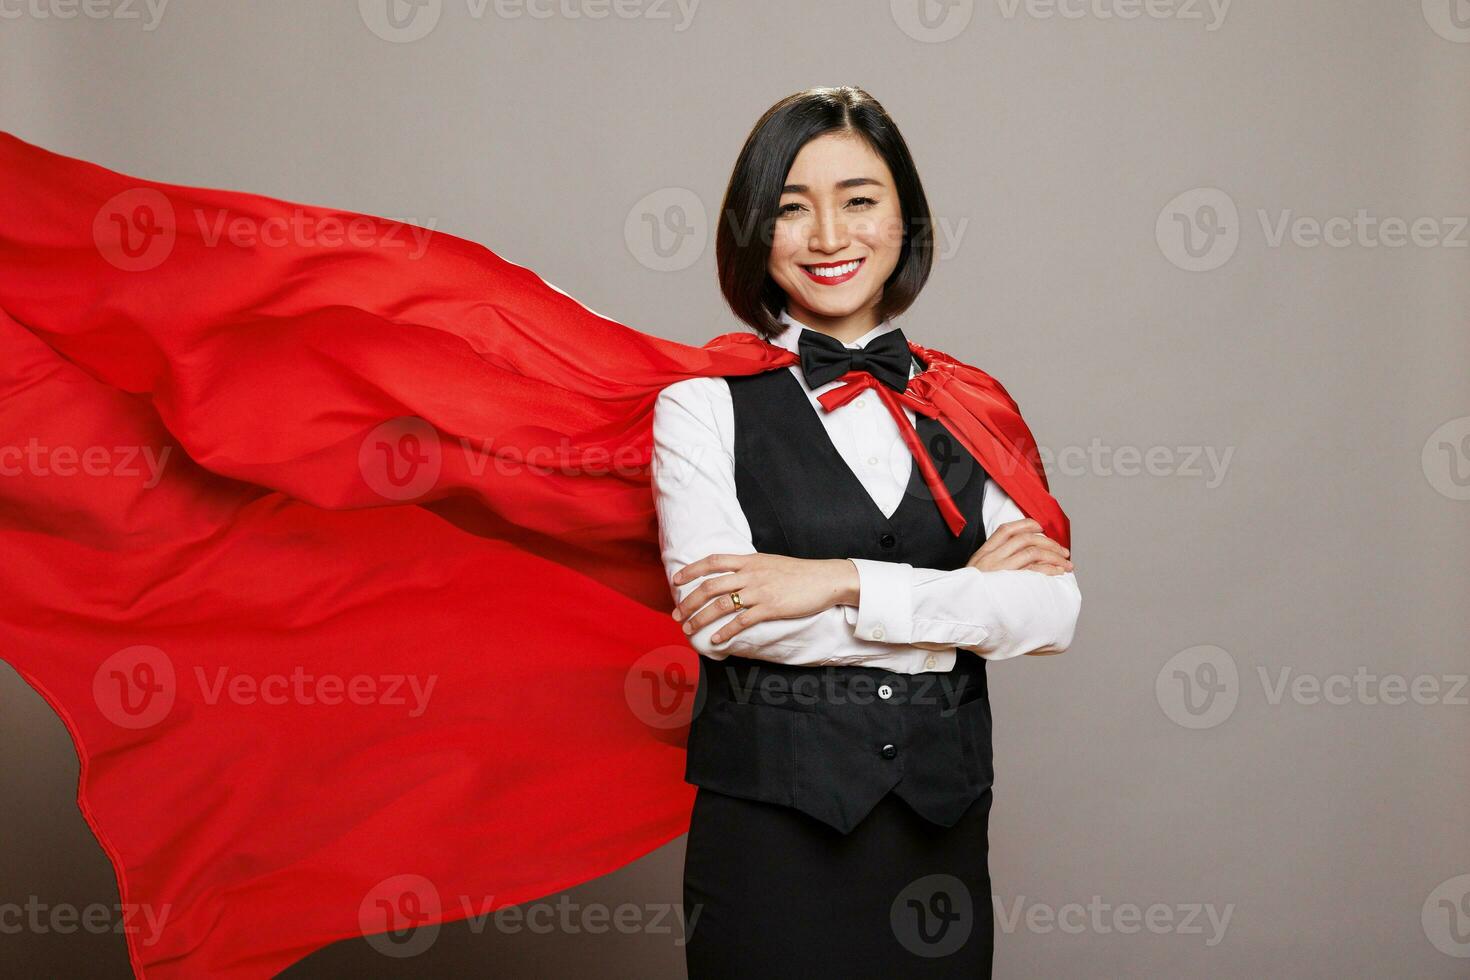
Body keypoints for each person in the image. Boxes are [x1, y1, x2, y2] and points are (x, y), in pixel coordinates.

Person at [651, 86, 1082, 977]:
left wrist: (836, 581)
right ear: (751, 231)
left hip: (939, 840)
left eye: (859, 200)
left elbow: (1050, 614)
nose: (829, 237)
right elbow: (728, 620)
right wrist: (963, 609)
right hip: (769, 843)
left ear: (905, 217)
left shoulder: (967, 402)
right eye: (790, 208)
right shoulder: (699, 406)